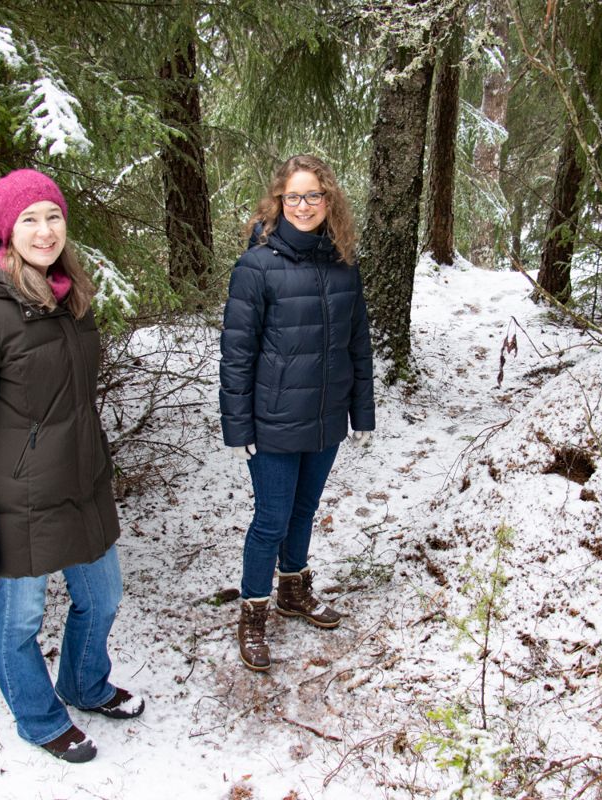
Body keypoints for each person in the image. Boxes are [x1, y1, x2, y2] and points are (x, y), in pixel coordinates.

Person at [0, 169, 143, 763]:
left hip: (82, 484)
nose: (44, 231)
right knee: (20, 621)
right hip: (16, 501)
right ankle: (40, 718)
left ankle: (83, 683)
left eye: (53, 216)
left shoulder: (69, 296)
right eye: (29, 219)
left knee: (103, 597)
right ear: (6, 228)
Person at [219, 154, 376, 671]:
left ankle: (293, 589)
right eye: (294, 197)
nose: (303, 205)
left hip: (326, 416)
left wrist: (362, 413)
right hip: (274, 421)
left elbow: (358, 342)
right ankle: (254, 613)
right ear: (278, 201)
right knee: (271, 518)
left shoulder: (343, 262)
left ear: (328, 200)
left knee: (304, 512)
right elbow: (237, 352)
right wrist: (238, 423)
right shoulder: (256, 265)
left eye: (313, 196)